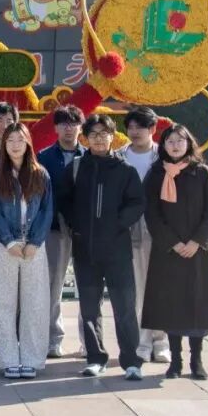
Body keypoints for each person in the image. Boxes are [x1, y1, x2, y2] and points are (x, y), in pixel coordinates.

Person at [56, 114, 146, 381]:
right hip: (85, 248)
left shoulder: (125, 170)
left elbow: (137, 203)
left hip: (117, 250)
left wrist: (117, 223)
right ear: (85, 138)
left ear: (112, 136)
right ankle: (95, 358)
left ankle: (131, 360)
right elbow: (64, 200)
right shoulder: (76, 168)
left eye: (103, 134)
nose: (98, 139)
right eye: (93, 134)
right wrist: (77, 223)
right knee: (89, 308)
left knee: (124, 306)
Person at [141, 125, 208, 381]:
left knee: (197, 304)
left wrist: (197, 241)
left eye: (180, 141)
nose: (175, 145)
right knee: (172, 306)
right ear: (163, 145)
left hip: (197, 251)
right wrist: (173, 242)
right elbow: (151, 212)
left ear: (189, 144)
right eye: (170, 141)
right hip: (168, 251)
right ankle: (175, 361)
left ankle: (196, 360)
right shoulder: (156, 173)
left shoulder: (202, 173)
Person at [0, 123, 53, 379]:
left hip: (34, 245)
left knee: (35, 303)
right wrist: (9, 241)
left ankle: (32, 358)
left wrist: (35, 241)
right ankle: (7, 358)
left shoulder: (40, 174)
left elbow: (47, 210)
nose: (15, 145)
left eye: (20, 140)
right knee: (2, 302)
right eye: (10, 140)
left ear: (28, 143)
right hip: (6, 246)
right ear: (3, 144)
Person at [118, 107, 172, 365]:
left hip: (158, 228)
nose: (135, 132)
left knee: (158, 286)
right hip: (128, 229)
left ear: (152, 129)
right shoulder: (119, 157)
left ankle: (161, 341)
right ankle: (142, 341)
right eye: (131, 127)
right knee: (135, 288)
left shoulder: (164, 158)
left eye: (140, 127)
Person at [36, 105, 85, 359]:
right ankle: (53, 339)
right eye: (64, 123)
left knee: (88, 286)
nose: (69, 128)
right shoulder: (43, 157)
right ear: (55, 128)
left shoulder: (90, 156)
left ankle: (89, 341)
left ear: (80, 127)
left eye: (73, 123)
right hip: (55, 227)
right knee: (53, 284)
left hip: (85, 228)